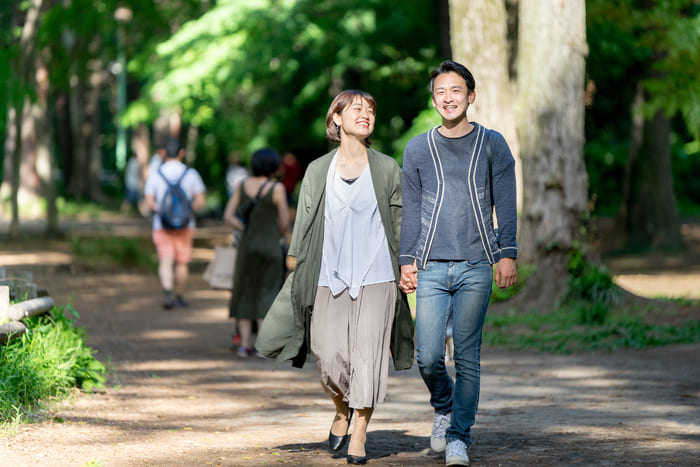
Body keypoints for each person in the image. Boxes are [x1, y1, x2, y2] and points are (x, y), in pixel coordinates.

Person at [255, 90, 415, 465]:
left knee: (368, 357)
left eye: (371, 110)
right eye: (356, 109)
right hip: (329, 275)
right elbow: (305, 223)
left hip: (377, 277)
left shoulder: (388, 167)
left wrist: (409, 264)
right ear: (337, 119)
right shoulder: (317, 170)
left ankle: (359, 430)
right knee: (328, 357)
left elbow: (403, 221)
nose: (366, 114)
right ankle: (342, 410)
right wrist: (295, 262)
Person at [399, 60, 518, 466]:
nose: (447, 98)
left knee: (467, 355)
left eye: (455, 91)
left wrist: (508, 253)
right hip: (430, 265)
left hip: (476, 264)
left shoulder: (492, 143)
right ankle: (443, 406)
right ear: (433, 99)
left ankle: (458, 437)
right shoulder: (417, 148)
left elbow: (505, 203)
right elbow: (411, 209)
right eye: (440, 92)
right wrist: (406, 260)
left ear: (470, 95)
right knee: (428, 356)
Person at [224, 148, 290, 358]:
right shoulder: (277, 188)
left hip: (247, 247)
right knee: (268, 292)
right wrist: (274, 232)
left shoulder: (241, 185)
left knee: (245, 293)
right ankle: (263, 345)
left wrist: (245, 229)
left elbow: (228, 216)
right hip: (270, 247)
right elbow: (285, 222)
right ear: (272, 166)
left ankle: (244, 345)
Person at [144, 137, 207, 309]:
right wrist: (187, 212)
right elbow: (200, 201)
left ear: (163, 153)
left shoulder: (156, 175)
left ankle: (167, 293)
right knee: (182, 262)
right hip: (186, 226)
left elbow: (149, 201)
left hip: (161, 225)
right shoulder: (191, 174)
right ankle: (180, 295)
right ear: (182, 152)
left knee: (165, 260)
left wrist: (162, 212)